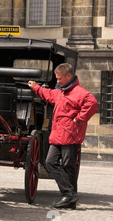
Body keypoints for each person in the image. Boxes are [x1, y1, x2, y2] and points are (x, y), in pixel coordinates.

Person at [28, 63, 98, 209]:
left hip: (70, 136)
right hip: (58, 135)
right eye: (57, 79)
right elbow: (48, 94)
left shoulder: (80, 92)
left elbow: (92, 104)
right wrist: (35, 87)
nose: (57, 81)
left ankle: (69, 197)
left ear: (69, 76)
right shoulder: (61, 92)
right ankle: (70, 194)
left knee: (68, 166)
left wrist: (78, 120)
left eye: (59, 79)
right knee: (50, 162)